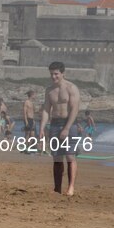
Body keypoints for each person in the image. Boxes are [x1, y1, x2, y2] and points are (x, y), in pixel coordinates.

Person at [39, 61, 80, 196]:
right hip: (55, 124)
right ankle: (57, 188)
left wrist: (67, 128)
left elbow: (75, 109)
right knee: (56, 157)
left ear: (63, 73)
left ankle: (71, 187)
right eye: (51, 74)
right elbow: (46, 109)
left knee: (70, 156)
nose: (54, 77)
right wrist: (42, 128)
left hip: (69, 123)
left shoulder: (71, 88)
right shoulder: (49, 90)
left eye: (56, 74)